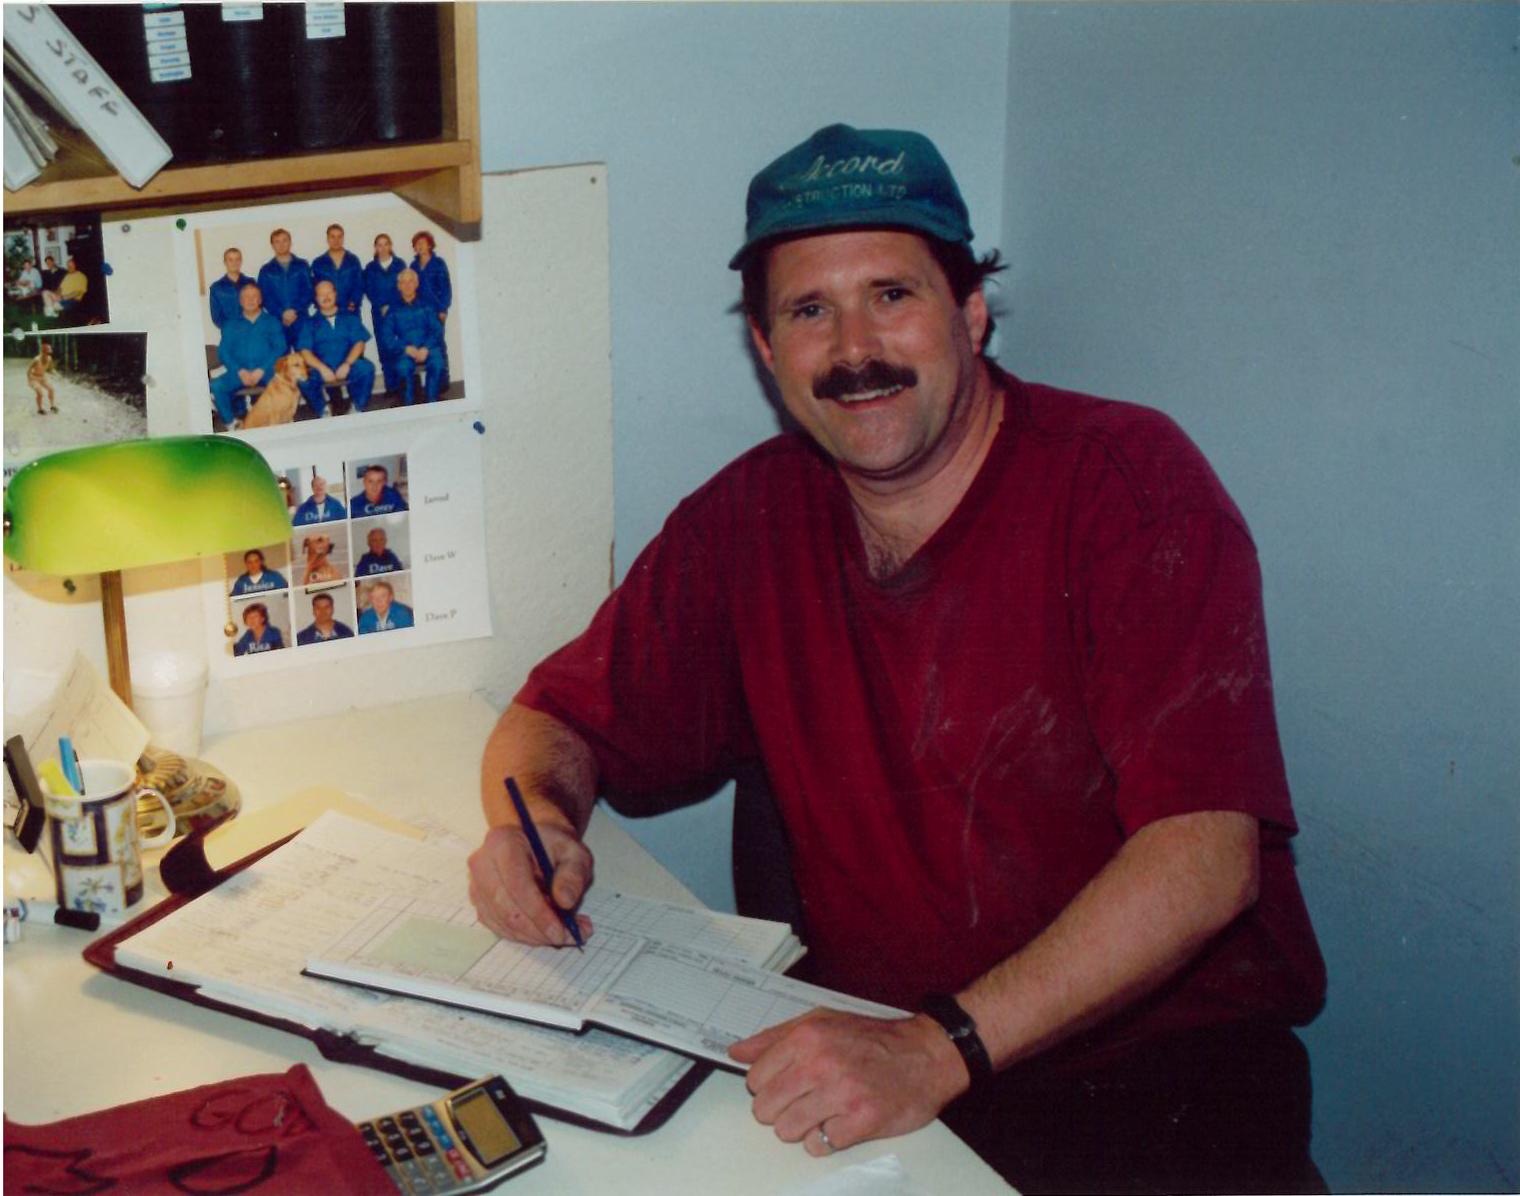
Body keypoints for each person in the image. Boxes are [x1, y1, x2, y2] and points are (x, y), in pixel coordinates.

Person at [464, 124, 1327, 1194]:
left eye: (891, 295)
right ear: (766, 347)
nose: (854, 348)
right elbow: (553, 720)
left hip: (1145, 1074)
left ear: (971, 312)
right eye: (809, 310)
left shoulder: (1129, 489)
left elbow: (1205, 856)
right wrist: (535, 825)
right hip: (882, 1061)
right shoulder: (750, 517)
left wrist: (938, 1049)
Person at [211, 282, 286, 429]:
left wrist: (262, 369)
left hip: (267, 372)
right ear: (240, 301)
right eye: (246, 297)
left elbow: (280, 348)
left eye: (254, 296)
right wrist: (239, 371)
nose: (250, 300)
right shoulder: (230, 324)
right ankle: (232, 423)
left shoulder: (272, 321)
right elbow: (224, 352)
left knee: (286, 384)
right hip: (239, 373)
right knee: (216, 386)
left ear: (260, 300)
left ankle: (281, 421)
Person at [297, 280, 376, 416]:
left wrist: (347, 364)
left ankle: (357, 408)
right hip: (320, 368)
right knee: (301, 378)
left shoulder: (350, 318)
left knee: (367, 368)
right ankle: (323, 410)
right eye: (321, 294)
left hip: (348, 364)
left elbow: (359, 343)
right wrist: (322, 368)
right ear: (316, 298)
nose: (326, 297)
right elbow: (305, 351)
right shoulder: (309, 323)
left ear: (335, 294)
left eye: (329, 293)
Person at [380, 269, 444, 405]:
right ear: (399, 286)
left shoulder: (427, 306)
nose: (407, 285)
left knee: (438, 363)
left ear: (416, 283)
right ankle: (408, 404)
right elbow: (387, 337)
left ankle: (432, 401)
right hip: (405, 351)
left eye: (410, 281)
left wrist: (426, 348)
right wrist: (405, 348)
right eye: (403, 282)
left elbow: (437, 330)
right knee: (403, 368)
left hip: (428, 348)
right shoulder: (392, 310)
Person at [257, 228, 314, 349]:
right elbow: (264, 297)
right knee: (281, 357)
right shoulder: (266, 270)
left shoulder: (302, 265)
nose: (281, 244)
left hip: (301, 319)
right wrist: (281, 313)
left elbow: (309, 291)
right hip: (277, 322)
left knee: (305, 356)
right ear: (272, 245)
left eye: (284, 240)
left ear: (290, 242)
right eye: (277, 241)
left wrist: (295, 310)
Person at [410, 230, 452, 391]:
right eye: (417, 244)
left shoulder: (438, 263)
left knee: (438, 344)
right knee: (424, 345)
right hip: (420, 314)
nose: (420, 246)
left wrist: (443, 309)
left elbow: (446, 288)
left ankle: (443, 382)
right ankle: (428, 383)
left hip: (436, 311)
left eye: (423, 243)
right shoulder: (413, 266)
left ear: (429, 245)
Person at [364, 234, 405, 392]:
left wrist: (391, 305)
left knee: (400, 347)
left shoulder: (400, 264)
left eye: (386, 244)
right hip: (379, 314)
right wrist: (381, 305)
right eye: (379, 245)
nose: (383, 248)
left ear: (390, 246)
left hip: (399, 312)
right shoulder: (370, 268)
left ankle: (404, 384)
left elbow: (404, 286)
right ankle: (391, 386)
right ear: (375, 247)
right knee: (384, 349)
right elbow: (369, 289)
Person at [311, 223, 365, 318]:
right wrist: (320, 304)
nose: (336, 240)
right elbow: (314, 287)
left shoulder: (353, 260)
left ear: (343, 238)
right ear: (327, 238)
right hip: (327, 311)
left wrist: (354, 302)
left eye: (339, 237)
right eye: (333, 237)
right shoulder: (318, 263)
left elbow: (359, 283)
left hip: (350, 310)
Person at [208, 248, 249, 331]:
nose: (234, 263)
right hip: (229, 333)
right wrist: (231, 329)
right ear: (225, 262)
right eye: (230, 260)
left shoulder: (251, 284)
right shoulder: (216, 288)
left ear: (241, 261)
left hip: (251, 331)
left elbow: (258, 309)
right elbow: (216, 317)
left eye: (237, 259)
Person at [27, 341, 57, 415]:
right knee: (40, 393)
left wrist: (54, 373)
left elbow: (50, 369)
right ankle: (40, 409)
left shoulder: (49, 358)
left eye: (49, 352)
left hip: (43, 378)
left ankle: (52, 406)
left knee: (51, 389)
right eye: (47, 352)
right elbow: (28, 370)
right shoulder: (36, 359)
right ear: (43, 352)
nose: (49, 353)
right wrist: (30, 380)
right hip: (34, 378)